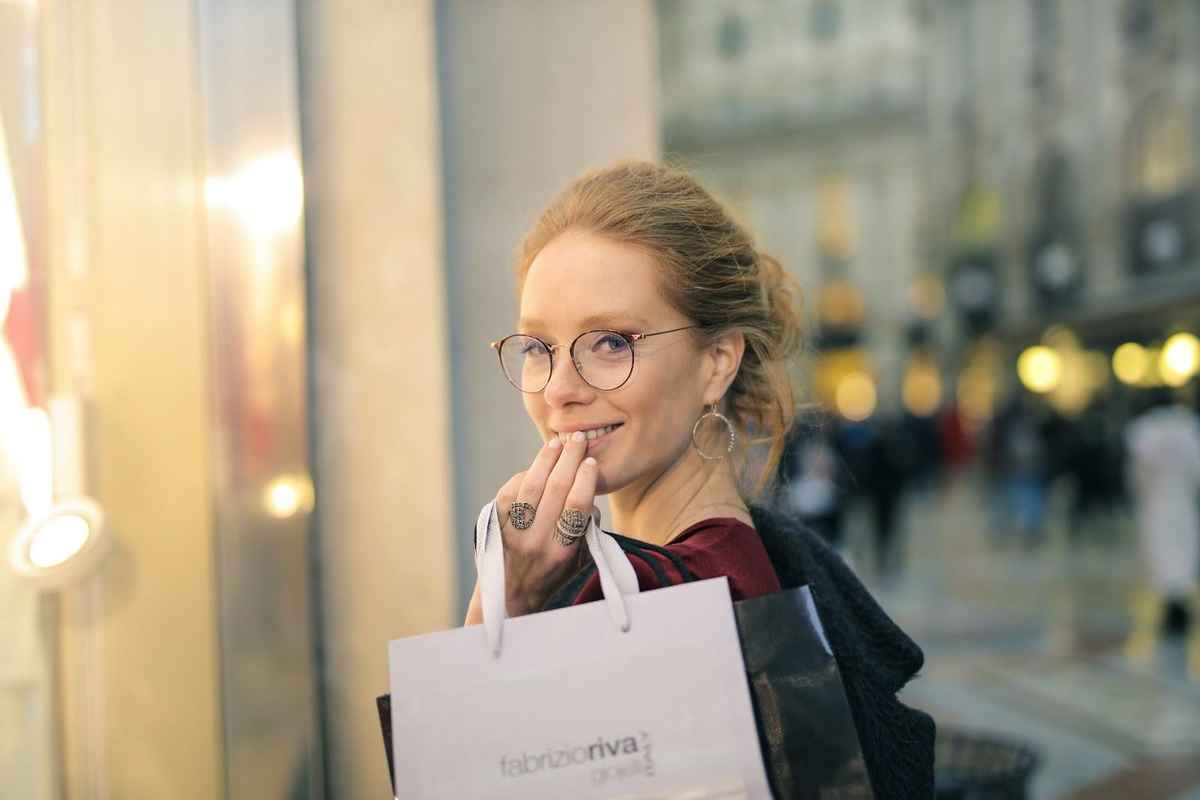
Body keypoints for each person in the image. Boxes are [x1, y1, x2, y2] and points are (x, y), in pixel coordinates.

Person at [462, 161, 934, 796]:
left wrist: (509, 607)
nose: (560, 389)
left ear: (716, 363)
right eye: (538, 347)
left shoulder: (657, 603)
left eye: (611, 342)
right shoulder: (751, 553)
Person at [1123, 387, 1200, 678]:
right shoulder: (1188, 427)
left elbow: (1137, 471)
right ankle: (1176, 604)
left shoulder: (1145, 431)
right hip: (1180, 500)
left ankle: (1174, 606)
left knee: (1163, 550)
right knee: (1181, 549)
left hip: (1158, 500)